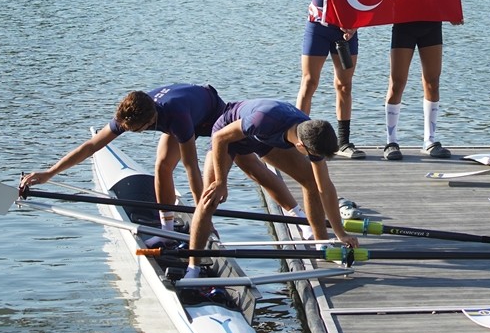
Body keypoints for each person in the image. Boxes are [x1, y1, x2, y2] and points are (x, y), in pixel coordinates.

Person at [20, 84, 305, 239]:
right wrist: (50, 172)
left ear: (150, 121)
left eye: (138, 131)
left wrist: (201, 218)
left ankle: (296, 216)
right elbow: (93, 145)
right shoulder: (131, 114)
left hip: (216, 118)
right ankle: (166, 228)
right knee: (162, 166)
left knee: (250, 166)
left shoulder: (176, 117)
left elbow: (191, 168)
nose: (131, 134)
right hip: (181, 115)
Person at [187, 98, 359, 278]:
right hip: (228, 133)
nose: (317, 159)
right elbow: (220, 137)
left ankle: (322, 243)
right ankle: (193, 267)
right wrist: (221, 182)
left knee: (311, 181)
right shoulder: (263, 119)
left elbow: (325, 187)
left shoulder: (311, 132)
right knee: (209, 199)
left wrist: (340, 233)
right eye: (314, 155)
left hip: (264, 136)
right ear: (301, 146)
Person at [281, 0, 364, 159]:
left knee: (344, 85)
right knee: (309, 82)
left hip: (345, 30)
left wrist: (356, 24)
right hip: (318, 27)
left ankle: (344, 142)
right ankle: (297, 140)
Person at [383, 0, 460, 160]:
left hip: (430, 24)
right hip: (403, 24)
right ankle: (391, 141)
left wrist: (452, 12)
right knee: (397, 83)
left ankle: (430, 140)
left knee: (432, 81)